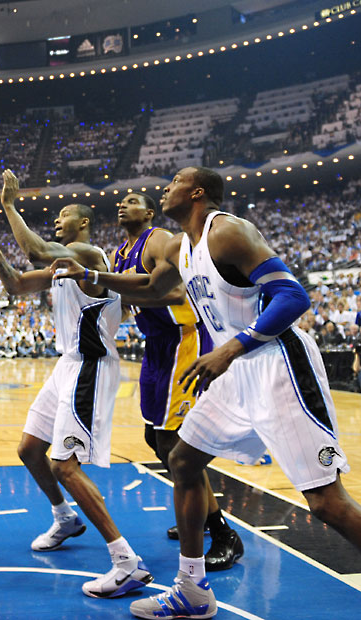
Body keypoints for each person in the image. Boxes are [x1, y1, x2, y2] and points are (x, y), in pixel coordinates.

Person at [53, 166, 361, 619]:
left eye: (175, 182)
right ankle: (192, 590)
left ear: (198, 192)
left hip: (277, 364)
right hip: (234, 371)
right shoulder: (182, 247)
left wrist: (229, 349)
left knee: (326, 503)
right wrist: (90, 273)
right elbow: (151, 287)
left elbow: (293, 296)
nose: (166, 188)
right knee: (183, 460)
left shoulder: (227, 232)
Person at [0, 169, 153, 600]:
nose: (56, 220)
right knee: (29, 449)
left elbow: (35, 250)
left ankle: (126, 561)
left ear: (83, 223)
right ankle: (65, 518)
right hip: (67, 365)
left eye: (64, 215)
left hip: (91, 365)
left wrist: (9, 205)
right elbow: (16, 285)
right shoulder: (63, 265)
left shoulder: (89, 254)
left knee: (64, 465)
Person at [112, 191, 243, 571]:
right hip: (155, 345)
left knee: (176, 442)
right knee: (155, 439)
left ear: (149, 212)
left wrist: (127, 290)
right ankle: (196, 511)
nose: (122, 204)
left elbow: (177, 291)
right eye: (121, 201)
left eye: (132, 200)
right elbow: (128, 298)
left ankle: (222, 533)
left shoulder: (159, 240)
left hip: (183, 340)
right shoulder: (121, 253)